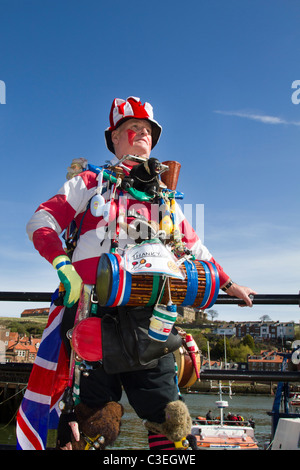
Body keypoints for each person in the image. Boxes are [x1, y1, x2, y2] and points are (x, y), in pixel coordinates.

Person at [24, 96, 256, 450]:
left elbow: (196, 248)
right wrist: (62, 265)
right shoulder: (90, 182)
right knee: (89, 424)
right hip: (91, 315)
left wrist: (228, 283)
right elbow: (42, 221)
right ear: (113, 139)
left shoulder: (165, 197)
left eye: (146, 130)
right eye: (130, 128)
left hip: (152, 321)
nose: (140, 133)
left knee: (169, 422)